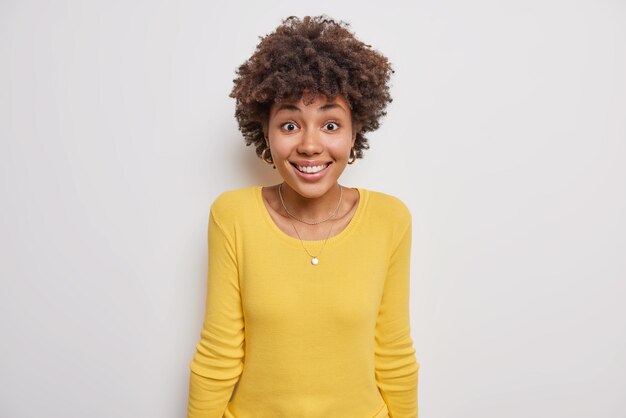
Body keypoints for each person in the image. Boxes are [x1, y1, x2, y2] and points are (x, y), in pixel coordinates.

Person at [187, 15, 420, 418]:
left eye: (331, 124)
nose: (310, 145)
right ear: (266, 131)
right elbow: (217, 355)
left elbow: (394, 354)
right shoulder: (232, 217)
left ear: (353, 133)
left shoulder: (390, 220)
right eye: (290, 124)